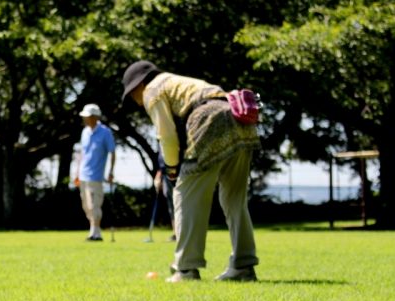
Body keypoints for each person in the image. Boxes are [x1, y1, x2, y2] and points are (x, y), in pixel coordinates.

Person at [121, 60, 261, 282]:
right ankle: (243, 265)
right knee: (235, 198)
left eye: (131, 94)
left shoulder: (152, 90)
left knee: (184, 193)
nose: (136, 101)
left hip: (209, 119)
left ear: (139, 85)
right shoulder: (177, 82)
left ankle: (186, 268)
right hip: (239, 118)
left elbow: (166, 136)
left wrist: (172, 168)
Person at [74, 104, 116, 241]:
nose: (85, 119)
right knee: (86, 206)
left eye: (87, 117)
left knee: (94, 205)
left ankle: (95, 232)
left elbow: (112, 152)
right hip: (83, 174)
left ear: (94, 117)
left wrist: (110, 172)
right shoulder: (84, 132)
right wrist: (76, 172)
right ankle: (94, 230)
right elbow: (82, 154)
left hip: (97, 175)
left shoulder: (105, 132)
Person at [154, 151, 177, 242]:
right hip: (165, 176)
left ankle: (181, 232)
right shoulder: (160, 143)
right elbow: (161, 165)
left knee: (178, 204)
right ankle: (176, 233)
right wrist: (158, 177)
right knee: (171, 205)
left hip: (175, 172)